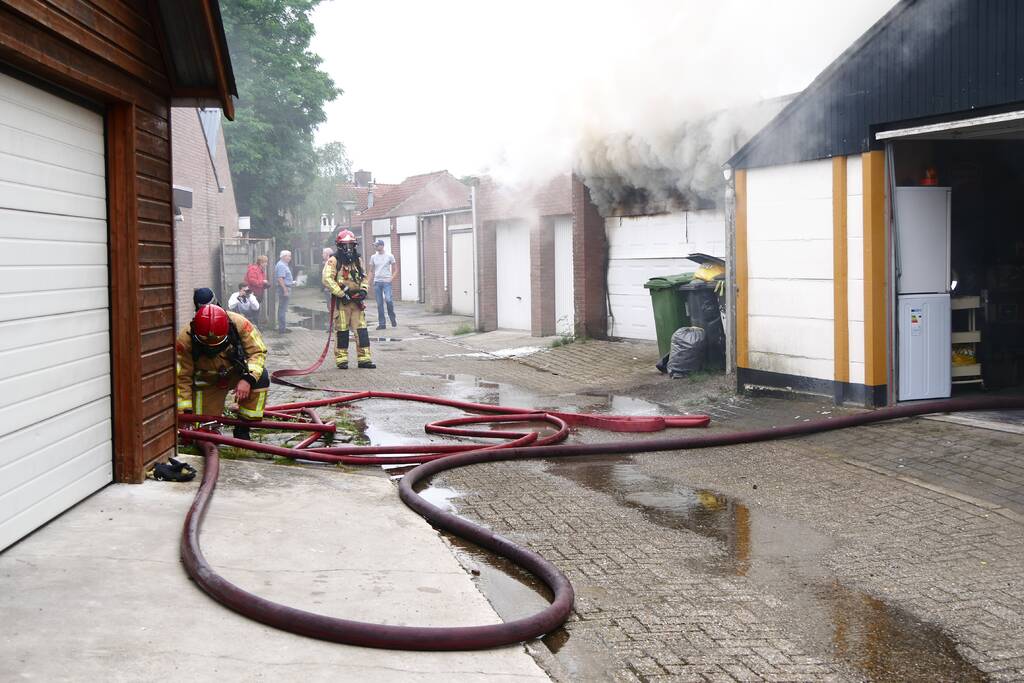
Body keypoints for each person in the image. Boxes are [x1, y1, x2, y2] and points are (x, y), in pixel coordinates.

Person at [175, 304, 269, 441]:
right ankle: (208, 431)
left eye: (218, 344)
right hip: (207, 382)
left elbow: (258, 352)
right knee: (204, 432)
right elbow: (182, 377)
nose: (212, 348)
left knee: (261, 377)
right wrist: (186, 413)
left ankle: (243, 427)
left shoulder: (240, 324)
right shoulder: (185, 340)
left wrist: (248, 378)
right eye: (206, 345)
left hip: (236, 374)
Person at [322, 229, 375, 368]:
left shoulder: (358, 260)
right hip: (342, 303)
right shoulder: (333, 261)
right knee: (342, 330)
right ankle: (342, 360)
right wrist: (341, 293)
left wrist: (363, 290)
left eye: (351, 245)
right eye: (345, 245)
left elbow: (364, 277)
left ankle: (364, 359)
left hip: (357, 302)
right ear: (340, 246)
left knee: (361, 330)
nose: (349, 248)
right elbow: (327, 279)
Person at [368, 238, 398, 329]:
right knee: (379, 304)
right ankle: (382, 324)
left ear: (382, 246)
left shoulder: (389, 256)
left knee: (388, 300)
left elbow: (396, 269)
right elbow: (371, 271)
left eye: (377, 245)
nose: (375, 247)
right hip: (377, 282)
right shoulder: (373, 257)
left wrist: (391, 279)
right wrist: (368, 283)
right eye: (375, 246)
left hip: (386, 282)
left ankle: (392, 317)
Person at [245, 255, 270, 323]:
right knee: (253, 311)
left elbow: (259, 282)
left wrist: (265, 285)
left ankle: (255, 325)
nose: (266, 264)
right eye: (265, 262)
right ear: (261, 262)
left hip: (258, 293)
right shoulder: (253, 269)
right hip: (252, 293)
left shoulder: (261, 270)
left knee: (256, 310)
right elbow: (252, 281)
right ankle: (254, 325)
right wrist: (263, 282)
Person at [274, 250, 294, 333]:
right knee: (282, 309)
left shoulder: (283, 265)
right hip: (283, 289)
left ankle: (282, 327)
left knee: (283, 308)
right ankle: (282, 329)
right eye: (289, 256)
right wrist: (285, 289)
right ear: (284, 256)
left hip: (285, 287)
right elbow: (280, 278)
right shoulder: (281, 265)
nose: (290, 258)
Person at [321, 246, 335, 311]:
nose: (322, 255)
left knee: (332, 307)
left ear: (327, 254)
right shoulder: (327, 262)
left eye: (323, 253)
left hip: (330, 289)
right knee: (329, 307)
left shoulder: (331, 263)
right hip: (327, 288)